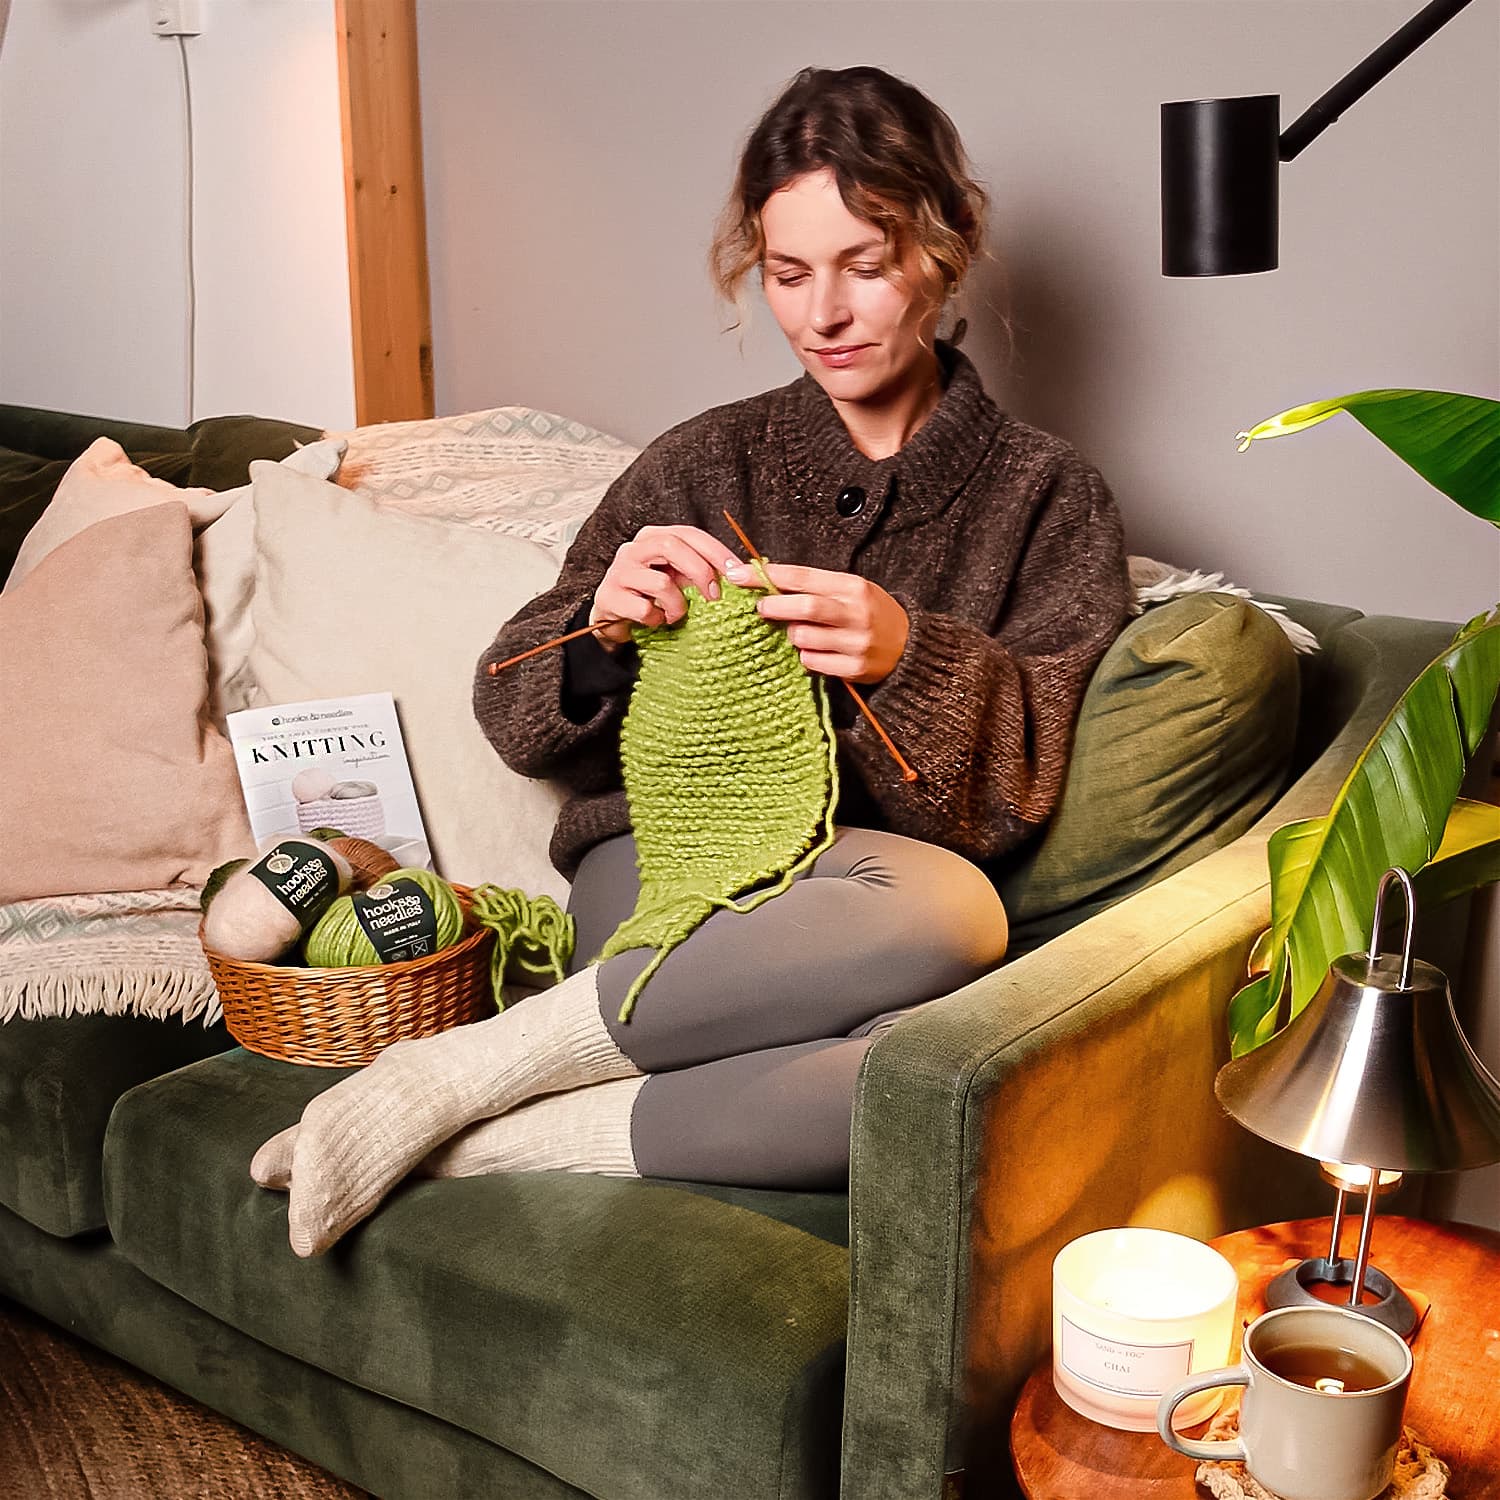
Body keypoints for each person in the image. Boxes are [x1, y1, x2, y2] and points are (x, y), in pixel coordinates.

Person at [251, 65, 1130, 1257]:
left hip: (856, 922)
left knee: (934, 1083)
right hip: (655, 867)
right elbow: (510, 710)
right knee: (958, 920)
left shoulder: (1049, 497)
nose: (824, 313)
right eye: (787, 273)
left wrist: (907, 657)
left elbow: (1025, 783)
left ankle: (472, 1114)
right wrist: (599, 634)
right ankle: (481, 1069)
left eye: (864, 265)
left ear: (947, 247)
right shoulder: (705, 460)